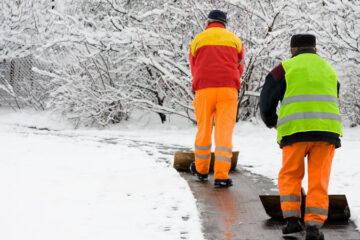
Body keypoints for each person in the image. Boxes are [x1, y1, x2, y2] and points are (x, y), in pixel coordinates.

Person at [260, 34, 342, 240]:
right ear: (315, 49)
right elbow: (335, 93)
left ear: (292, 50)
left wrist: (270, 120)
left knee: (291, 174)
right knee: (319, 179)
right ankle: (314, 226)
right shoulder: (329, 69)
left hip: (295, 131)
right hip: (326, 131)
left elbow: (267, 97)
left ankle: (292, 221)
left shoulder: (284, 68)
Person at [188, 10, 245, 188]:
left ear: (208, 21)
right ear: (225, 23)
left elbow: (194, 66)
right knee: (224, 133)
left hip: (204, 89)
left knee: (204, 129)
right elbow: (240, 67)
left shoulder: (198, 40)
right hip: (228, 90)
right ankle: (221, 176)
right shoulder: (235, 40)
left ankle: (202, 170)